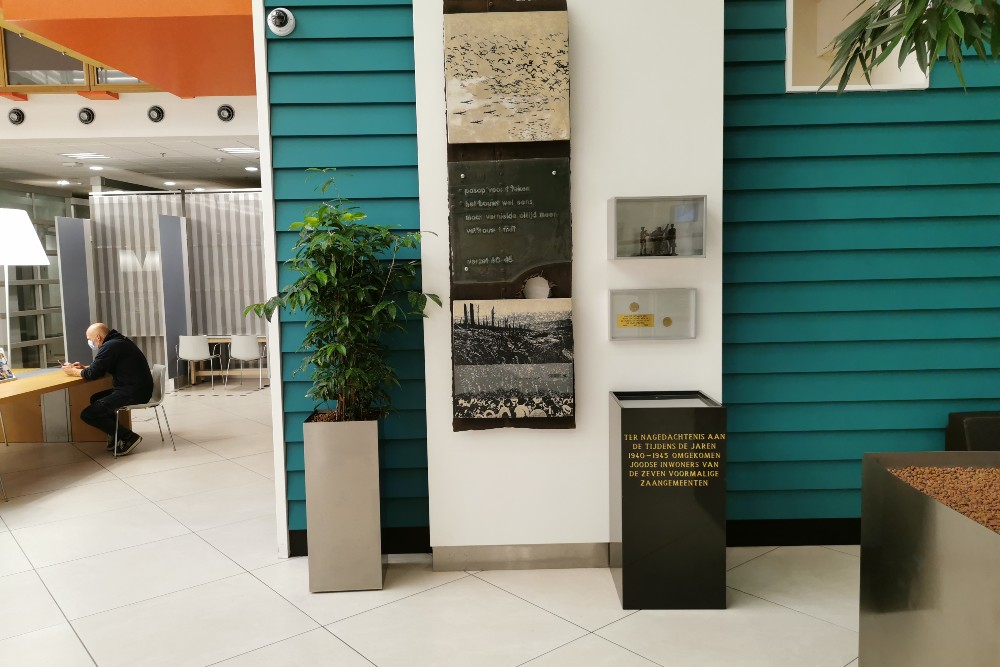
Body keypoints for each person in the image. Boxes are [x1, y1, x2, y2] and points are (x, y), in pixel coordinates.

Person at [62, 323, 153, 456]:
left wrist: (72, 371)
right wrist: (83, 367)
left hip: (133, 392)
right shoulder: (118, 341)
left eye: (89, 339)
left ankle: (128, 437)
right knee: (96, 399)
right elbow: (101, 367)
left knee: (88, 414)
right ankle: (116, 435)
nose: (89, 342)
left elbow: (92, 374)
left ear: (98, 338)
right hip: (136, 388)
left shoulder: (110, 346)